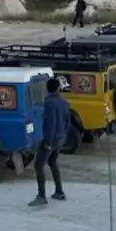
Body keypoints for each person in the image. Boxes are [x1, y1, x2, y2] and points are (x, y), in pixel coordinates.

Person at [29, 76, 70, 206]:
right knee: (52, 162)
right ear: (58, 88)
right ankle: (59, 191)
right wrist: (63, 136)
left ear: (47, 89)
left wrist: (47, 142)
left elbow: (51, 123)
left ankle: (41, 196)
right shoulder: (65, 102)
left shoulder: (48, 103)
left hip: (51, 139)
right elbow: (67, 122)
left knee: (38, 165)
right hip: (61, 138)